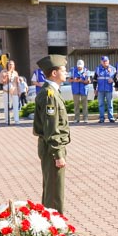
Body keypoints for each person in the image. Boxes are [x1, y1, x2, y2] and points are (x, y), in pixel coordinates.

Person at [32, 55, 70, 213]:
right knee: (54, 190)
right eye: (63, 69)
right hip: (52, 148)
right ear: (54, 73)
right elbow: (51, 128)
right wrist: (57, 154)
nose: (66, 72)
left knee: (52, 188)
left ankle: (51, 224)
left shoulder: (52, 92)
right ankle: (56, 228)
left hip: (51, 147)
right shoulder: (50, 95)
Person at [94, 56, 116, 123]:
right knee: (101, 104)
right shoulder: (97, 69)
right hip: (100, 90)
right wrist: (95, 89)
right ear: (101, 62)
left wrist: (113, 79)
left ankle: (111, 118)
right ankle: (101, 118)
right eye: (103, 61)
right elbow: (95, 80)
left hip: (109, 89)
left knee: (110, 104)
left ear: (108, 61)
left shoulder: (113, 69)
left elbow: (117, 78)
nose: (105, 62)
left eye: (106, 61)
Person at [1, 60, 21, 124]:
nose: (10, 66)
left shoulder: (15, 73)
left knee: (15, 106)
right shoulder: (3, 72)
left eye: (12, 64)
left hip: (14, 91)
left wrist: (19, 91)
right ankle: (7, 120)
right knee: (6, 106)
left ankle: (16, 120)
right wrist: (5, 76)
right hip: (6, 91)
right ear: (7, 65)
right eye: (9, 64)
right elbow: (1, 81)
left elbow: (17, 83)